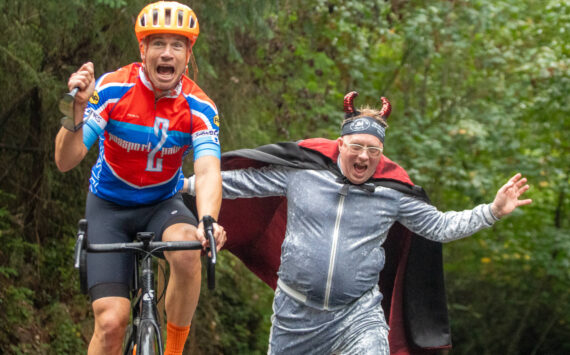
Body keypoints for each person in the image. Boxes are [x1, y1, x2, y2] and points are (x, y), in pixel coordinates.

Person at [185, 91, 532, 354]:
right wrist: (176, 186)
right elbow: (236, 183)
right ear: (340, 145)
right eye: (357, 146)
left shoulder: (391, 193)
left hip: (356, 316)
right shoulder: (303, 174)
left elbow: (438, 226)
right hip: (294, 317)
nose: (364, 156)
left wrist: (493, 211)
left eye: (374, 150)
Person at [54, 2, 226, 354]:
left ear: (188, 54)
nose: (167, 53)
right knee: (111, 322)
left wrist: (208, 220)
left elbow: (208, 170)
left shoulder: (200, 107)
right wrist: (76, 109)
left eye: (176, 45)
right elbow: (65, 160)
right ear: (142, 50)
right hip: (109, 208)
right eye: (157, 43)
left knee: (189, 250)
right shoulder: (113, 89)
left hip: (162, 205)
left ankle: (174, 350)